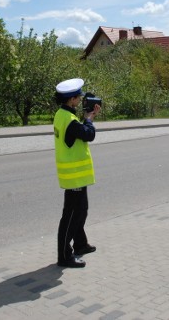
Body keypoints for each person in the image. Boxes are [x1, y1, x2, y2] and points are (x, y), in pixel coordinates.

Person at [53, 78, 100, 268]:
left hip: (76, 177)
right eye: (78, 97)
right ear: (71, 100)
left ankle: (80, 244)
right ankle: (64, 255)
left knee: (81, 211)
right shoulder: (69, 120)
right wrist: (89, 119)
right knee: (71, 216)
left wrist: (86, 120)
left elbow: (77, 133)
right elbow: (88, 134)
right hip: (74, 178)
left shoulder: (62, 115)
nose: (81, 99)